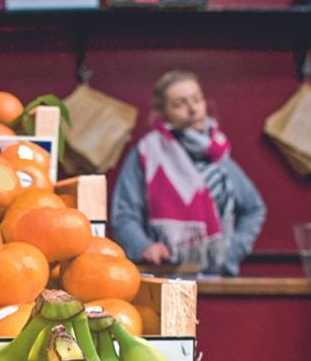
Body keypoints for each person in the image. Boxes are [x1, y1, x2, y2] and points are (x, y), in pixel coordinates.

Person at [110, 70, 266, 275]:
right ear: (163, 112)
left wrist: (231, 252)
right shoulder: (146, 155)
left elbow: (254, 208)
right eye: (180, 103)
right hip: (163, 278)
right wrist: (143, 246)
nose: (193, 109)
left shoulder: (218, 155)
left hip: (216, 279)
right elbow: (123, 215)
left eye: (197, 99)